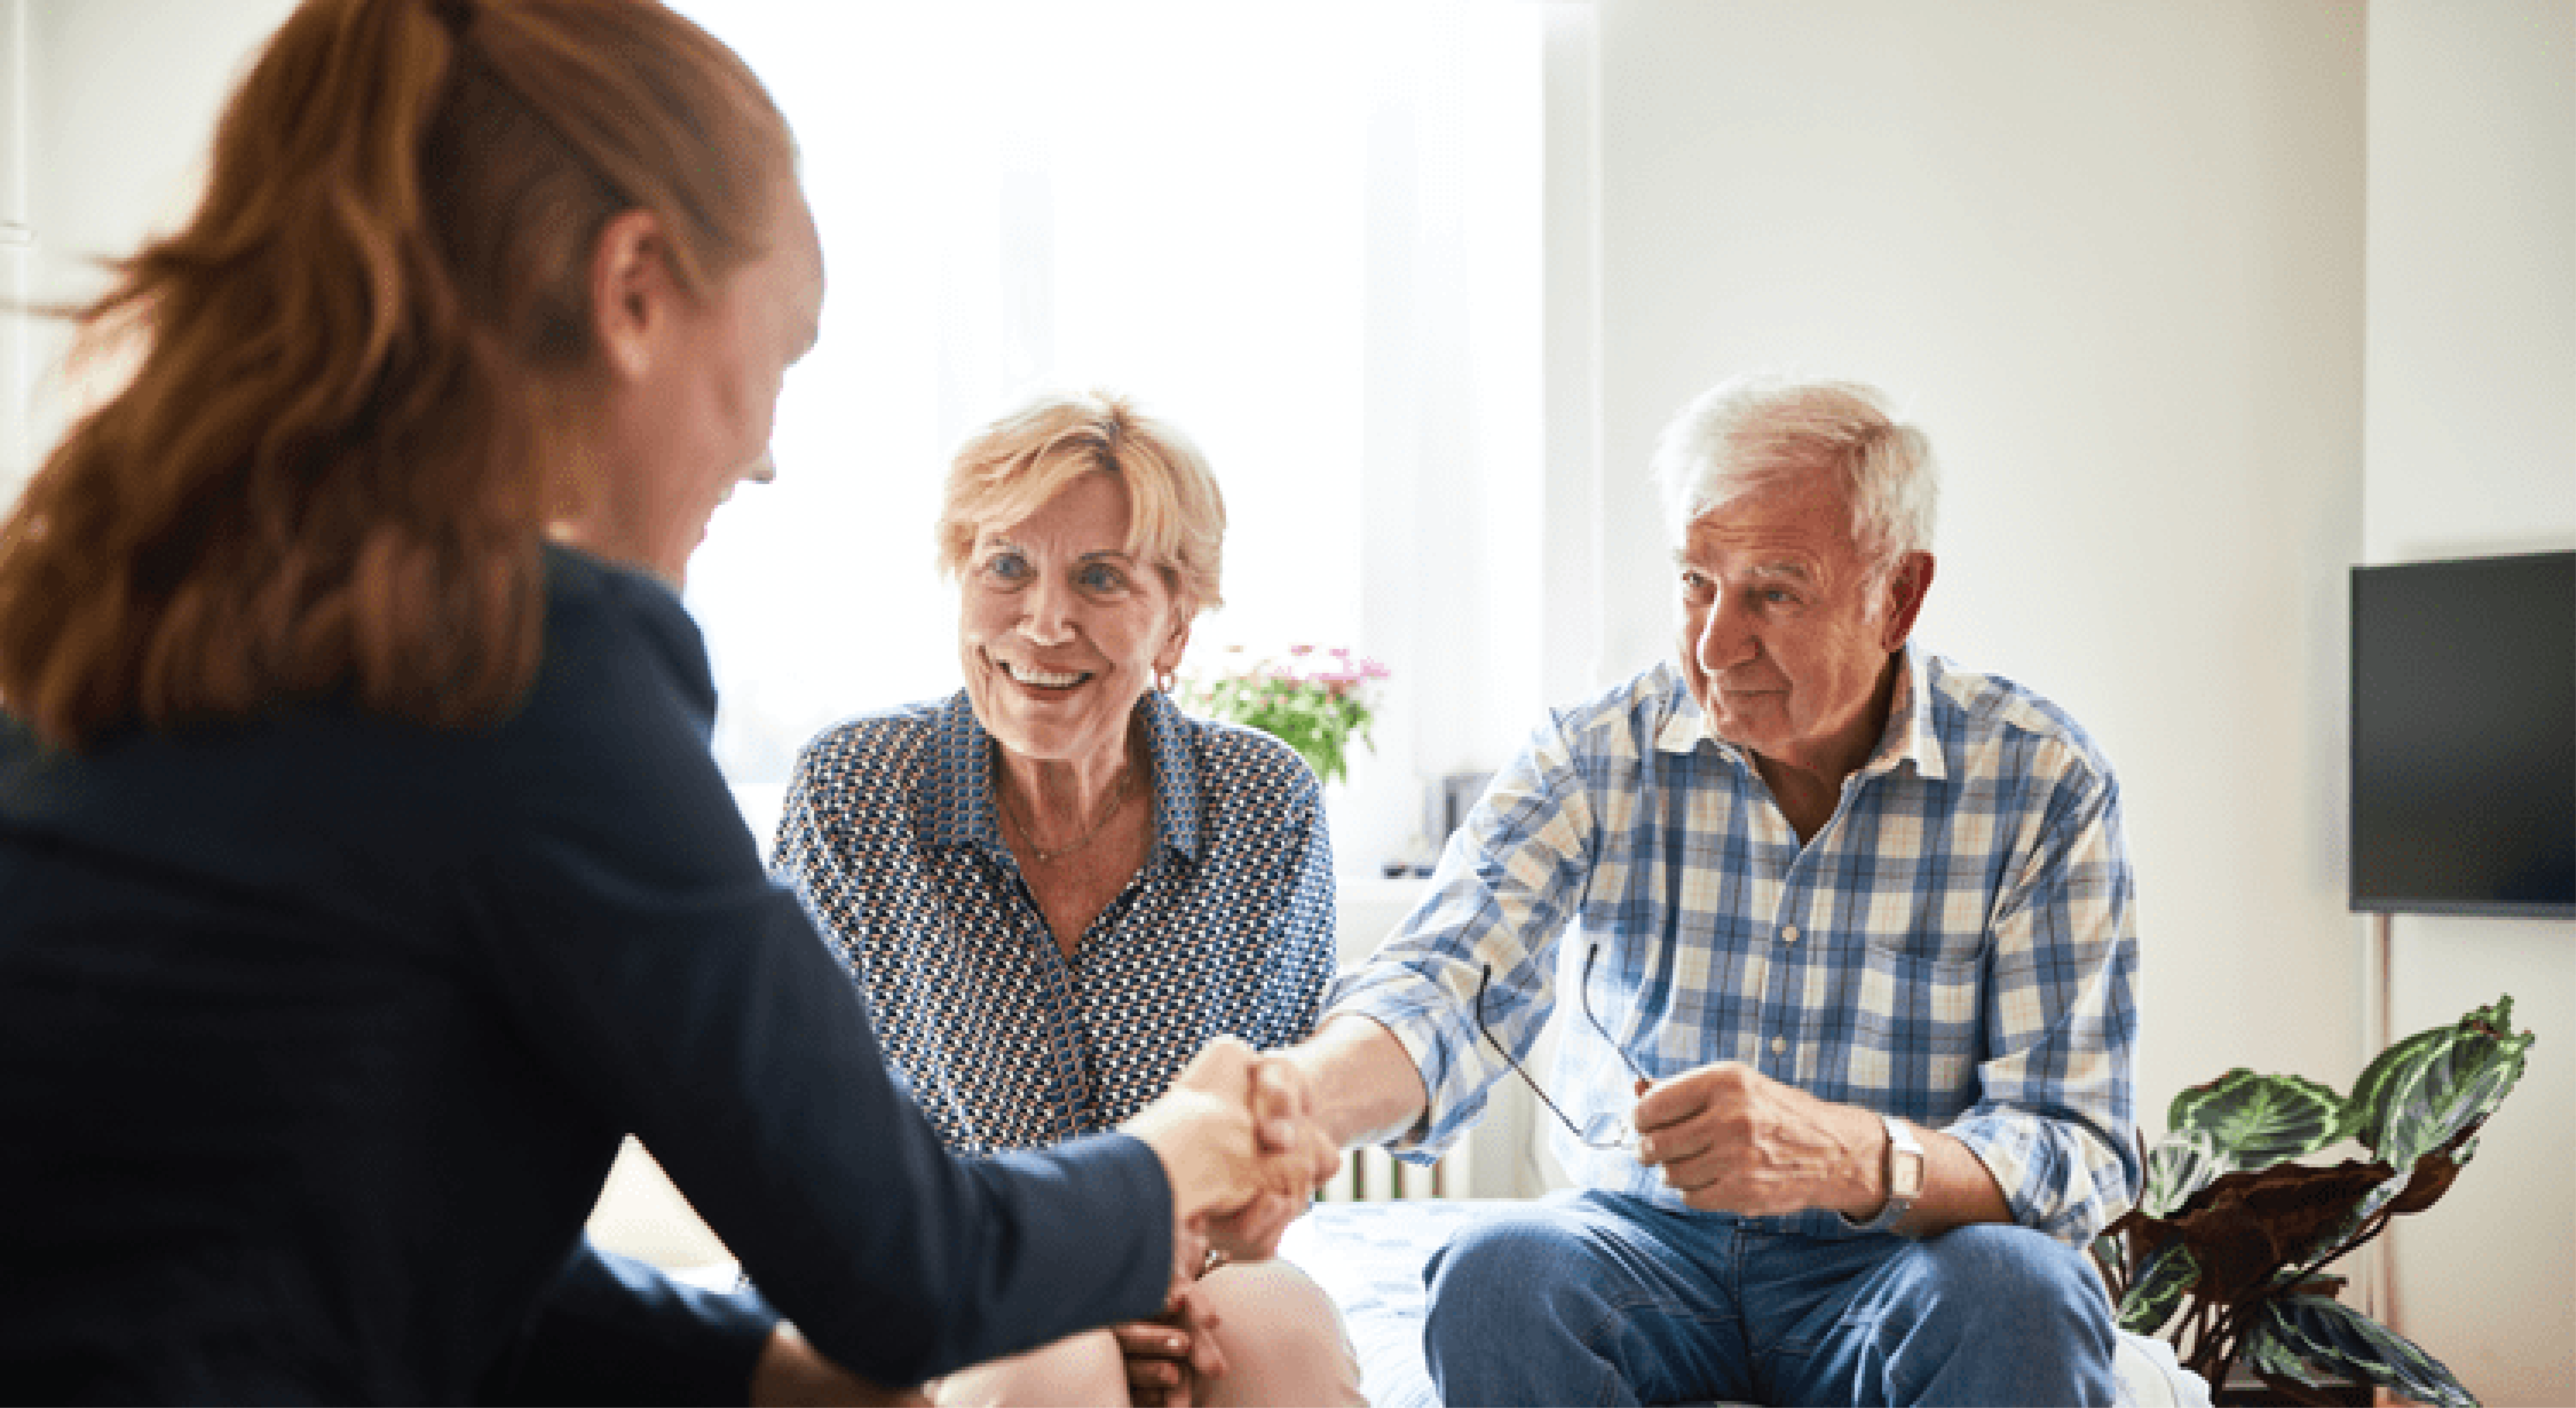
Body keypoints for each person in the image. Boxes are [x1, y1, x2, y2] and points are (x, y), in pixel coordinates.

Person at [0, 3, 1335, 1405]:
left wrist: (758, 1368)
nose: (762, 452)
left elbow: (369, 1219)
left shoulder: (148, 605)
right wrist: (1186, 1149)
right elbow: (899, 1264)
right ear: (634, 289)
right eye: (781, 355)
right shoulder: (523, 668)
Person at [1263, 374, 2142, 1407]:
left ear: (1898, 594)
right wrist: (1291, 1104)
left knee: (2023, 1285)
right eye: (1695, 583)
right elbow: (1444, 980)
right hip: (1644, 1249)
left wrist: (1854, 1155)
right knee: (1498, 1269)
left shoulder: (2040, 780)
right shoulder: (1597, 750)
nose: (1719, 645)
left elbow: (2075, 1140)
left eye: (1775, 592)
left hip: (1902, 1264)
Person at [771, 391, 1364, 1408]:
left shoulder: (1265, 799)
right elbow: (814, 1139)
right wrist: (1072, 1286)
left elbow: (1269, 1141)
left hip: (1198, 1279)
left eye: (1100, 576)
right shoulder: (855, 788)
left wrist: (1165, 1284)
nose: (1046, 620)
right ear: (961, 583)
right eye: (1006, 566)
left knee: (1283, 1338)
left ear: (1176, 621)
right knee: (1049, 1361)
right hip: (942, 1271)